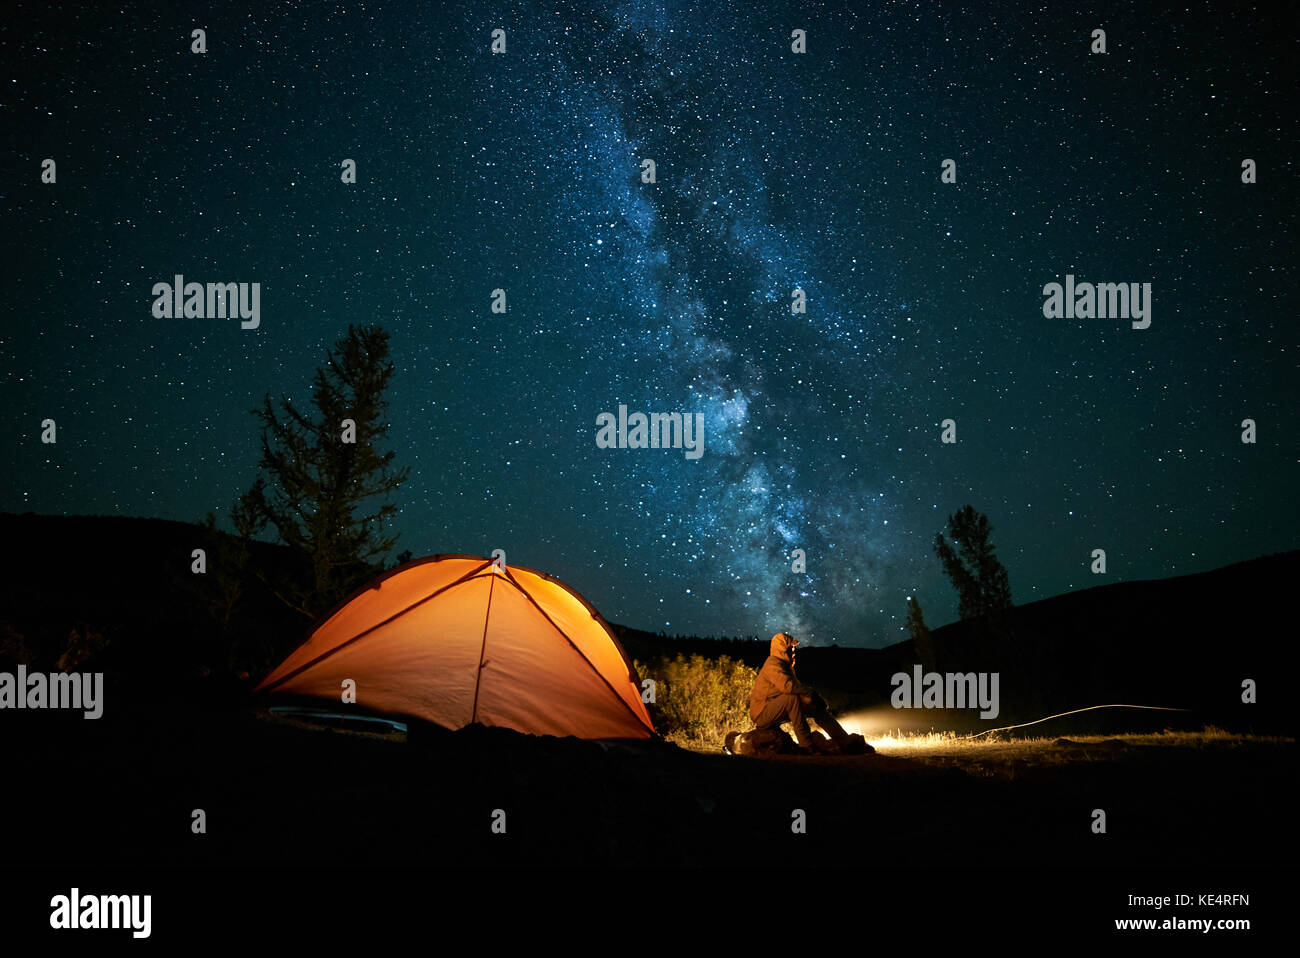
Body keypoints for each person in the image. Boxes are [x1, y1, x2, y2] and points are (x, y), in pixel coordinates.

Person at [748, 631, 862, 753]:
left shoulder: (786, 667)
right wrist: (810, 693)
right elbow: (788, 687)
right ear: (782, 649)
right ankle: (806, 745)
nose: (793, 652)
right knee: (791, 699)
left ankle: (844, 740)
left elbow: (796, 690)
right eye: (790, 649)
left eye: (793, 649)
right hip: (762, 714)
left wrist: (813, 701)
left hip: (776, 709)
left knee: (815, 707)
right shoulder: (773, 664)